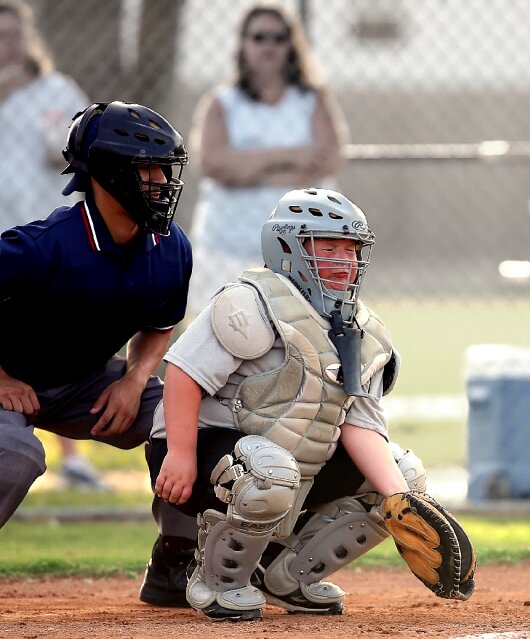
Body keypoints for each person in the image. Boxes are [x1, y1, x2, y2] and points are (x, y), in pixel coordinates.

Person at [149, 188, 476, 621]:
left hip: (286, 463)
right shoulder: (250, 301)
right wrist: (181, 453)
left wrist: (402, 500)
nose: (345, 260)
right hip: (200, 454)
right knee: (271, 470)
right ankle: (217, 582)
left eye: (352, 249)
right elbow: (184, 374)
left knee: (403, 476)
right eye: (329, 247)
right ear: (288, 247)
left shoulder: (365, 329)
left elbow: (362, 427)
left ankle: (286, 577)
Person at [0, 100, 196, 603]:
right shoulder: (44, 246)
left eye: (164, 168)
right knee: (15, 454)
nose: (161, 181)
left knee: (187, 418)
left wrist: (133, 381)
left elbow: (159, 325)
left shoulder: (169, 246)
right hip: (8, 381)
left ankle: (176, 562)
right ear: (108, 173)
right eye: (147, 168)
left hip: (81, 382)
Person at [0, 0, 111, 491]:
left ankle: (72, 456)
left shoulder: (55, 90)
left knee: (59, 342)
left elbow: (84, 144)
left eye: (12, 35)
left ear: (27, 39)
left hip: (49, 237)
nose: (6, 45)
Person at [186, 2, 347, 316]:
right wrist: (290, 157)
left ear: (292, 44)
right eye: (259, 37)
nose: (269, 46)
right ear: (243, 43)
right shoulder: (222, 103)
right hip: (227, 247)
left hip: (299, 248)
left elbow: (328, 158)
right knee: (229, 336)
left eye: (279, 37)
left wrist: (246, 165)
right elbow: (214, 164)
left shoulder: (313, 100)